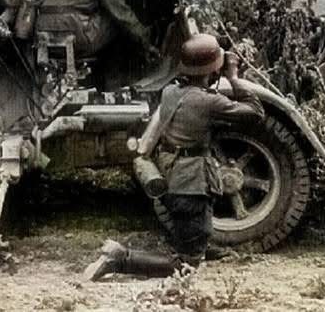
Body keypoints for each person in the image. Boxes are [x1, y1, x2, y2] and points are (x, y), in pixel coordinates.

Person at [83, 33, 264, 281]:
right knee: (186, 265)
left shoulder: (170, 92)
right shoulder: (208, 102)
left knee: (192, 229)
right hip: (191, 185)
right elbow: (256, 112)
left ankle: (196, 246)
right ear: (213, 70)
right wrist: (233, 77)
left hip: (172, 177)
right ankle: (121, 259)